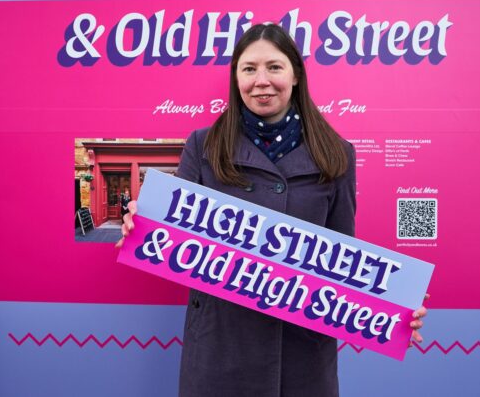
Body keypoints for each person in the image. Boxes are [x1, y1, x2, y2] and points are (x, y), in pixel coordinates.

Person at [117, 24, 427, 397]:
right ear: (236, 78)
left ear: (295, 74)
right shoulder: (202, 145)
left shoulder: (337, 153)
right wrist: (143, 225)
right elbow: (172, 239)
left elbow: (343, 258)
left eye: (274, 67)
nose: (261, 80)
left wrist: (386, 306)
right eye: (249, 69)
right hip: (221, 351)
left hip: (302, 357)